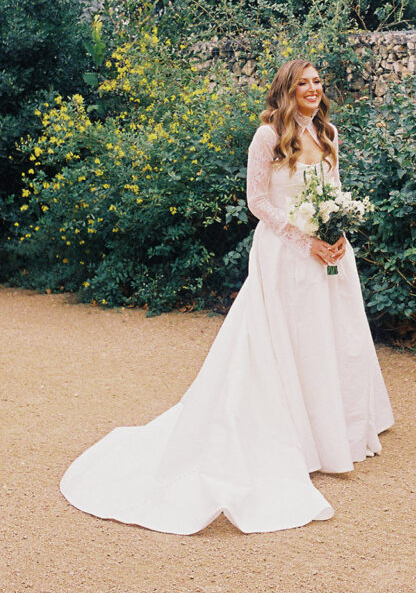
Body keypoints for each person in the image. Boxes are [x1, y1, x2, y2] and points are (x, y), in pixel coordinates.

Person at [60, 59, 394, 534]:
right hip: (286, 254)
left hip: (330, 254)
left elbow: (333, 191)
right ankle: (297, 437)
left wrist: (337, 233)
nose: (313, 89)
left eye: (318, 82)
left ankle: (334, 431)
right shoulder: (267, 136)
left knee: (332, 338)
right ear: (287, 89)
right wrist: (304, 241)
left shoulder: (329, 133)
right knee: (291, 340)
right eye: (303, 83)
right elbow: (258, 201)